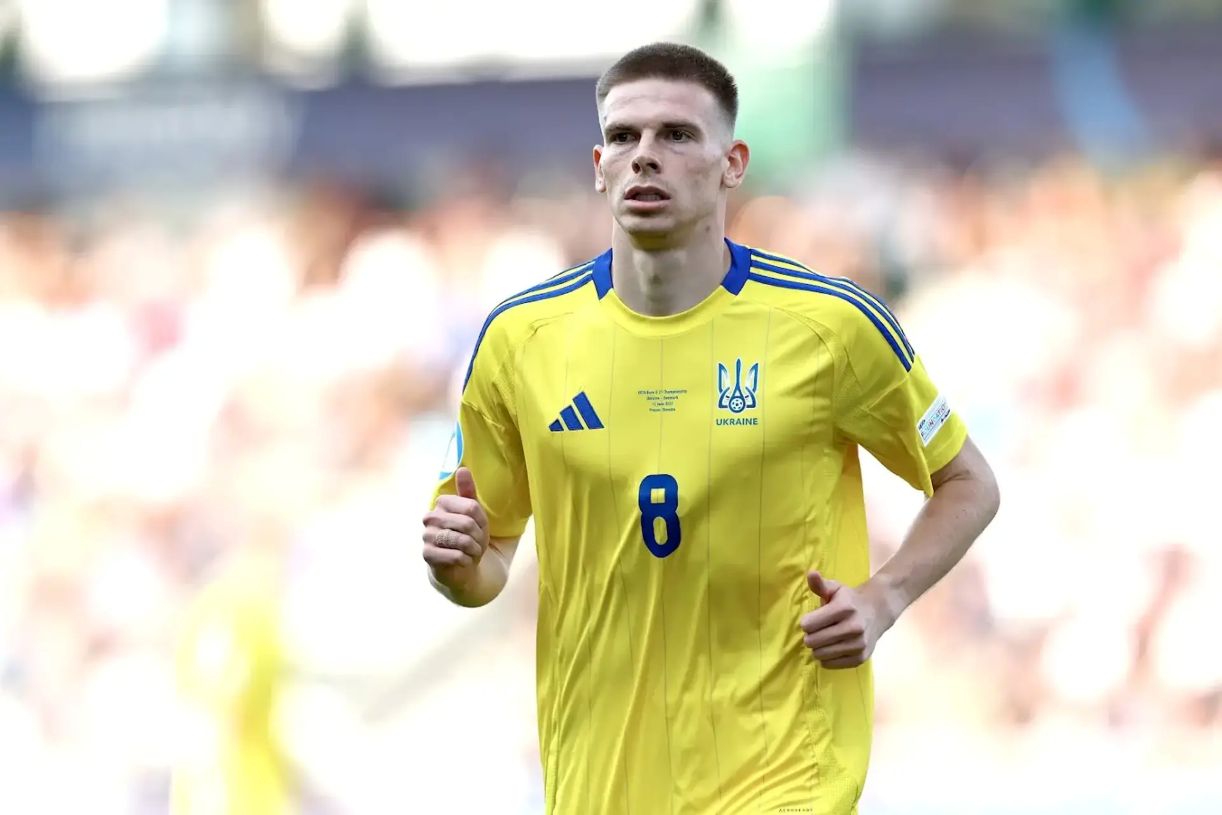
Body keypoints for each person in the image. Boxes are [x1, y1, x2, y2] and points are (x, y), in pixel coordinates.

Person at [422, 42, 1000, 815]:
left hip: (785, 777)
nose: (645, 155)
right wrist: (456, 567)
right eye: (623, 137)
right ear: (598, 166)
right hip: (601, 781)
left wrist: (882, 599)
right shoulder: (520, 340)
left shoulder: (828, 327)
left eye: (676, 134)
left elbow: (968, 481)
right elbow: (486, 560)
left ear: (732, 163)